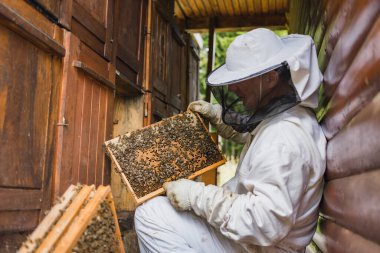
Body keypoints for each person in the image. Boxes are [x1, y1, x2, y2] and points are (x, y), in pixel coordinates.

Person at [134, 28, 326, 253]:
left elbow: (264, 222)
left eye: (241, 80)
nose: (233, 87)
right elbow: (255, 138)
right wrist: (219, 117)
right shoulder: (288, 120)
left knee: (151, 214)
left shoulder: (284, 139)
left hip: (259, 244)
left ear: (271, 78)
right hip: (257, 242)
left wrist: (196, 196)